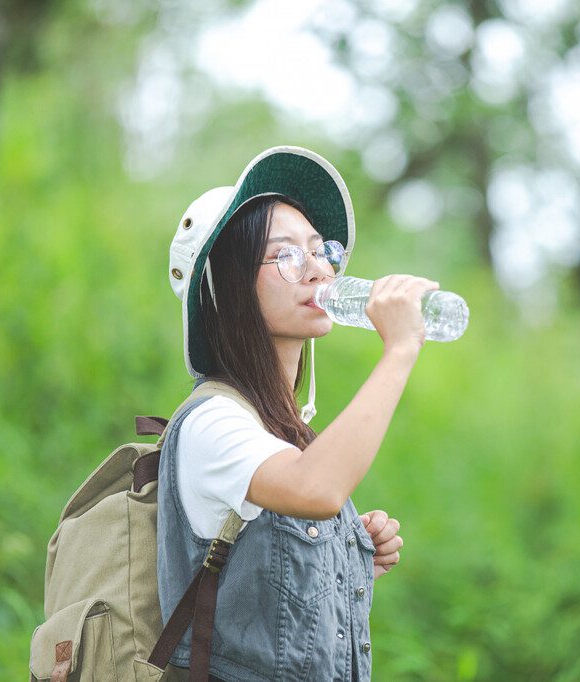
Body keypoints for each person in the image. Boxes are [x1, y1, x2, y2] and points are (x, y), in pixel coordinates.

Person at [159, 145, 439, 681]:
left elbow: (271, 616)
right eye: (286, 255)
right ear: (228, 288)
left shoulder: (284, 435)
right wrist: (400, 349)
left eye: (321, 250)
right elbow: (316, 490)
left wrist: (348, 557)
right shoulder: (211, 424)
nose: (320, 270)